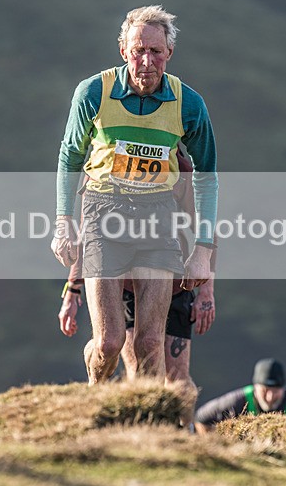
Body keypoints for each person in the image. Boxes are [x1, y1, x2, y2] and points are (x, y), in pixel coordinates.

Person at [52, 5, 218, 385]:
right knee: (109, 343)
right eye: (138, 50)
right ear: (123, 50)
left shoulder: (189, 104)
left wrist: (203, 252)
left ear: (169, 55)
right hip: (102, 214)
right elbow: (70, 156)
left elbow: (207, 176)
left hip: (157, 216)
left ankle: (146, 432)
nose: (146, 60)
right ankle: (97, 401)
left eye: (155, 52)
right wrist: (64, 221)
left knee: (148, 343)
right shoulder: (93, 92)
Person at [58, 150, 216, 427]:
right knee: (136, 368)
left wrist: (206, 292)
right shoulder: (104, 157)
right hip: (126, 284)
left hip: (174, 282)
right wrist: (73, 289)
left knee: (178, 380)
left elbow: (206, 228)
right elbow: (88, 232)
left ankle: (185, 435)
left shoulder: (180, 166)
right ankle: (142, 432)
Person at [194, 358, 286, 432]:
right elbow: (202, 417)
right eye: (265, 390)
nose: (269, 397)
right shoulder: (237, 401)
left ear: (284, 388)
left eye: (276, 391)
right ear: (255, 386)